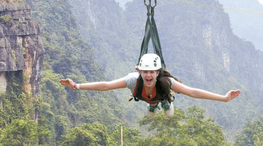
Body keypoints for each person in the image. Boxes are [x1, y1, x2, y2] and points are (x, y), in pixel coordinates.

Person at [59, 53, 241, 117]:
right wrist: (76, 86)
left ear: (157, 72)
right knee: (151, 111)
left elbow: (193, 92)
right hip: (147, 99)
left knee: (169, 114)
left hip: (161, 95)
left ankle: (165, 103)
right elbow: (106, 86)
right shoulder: (133, 80)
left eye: (151, 72)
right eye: (145, 71)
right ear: (140, 72)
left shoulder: (166, 82)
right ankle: (153, 105)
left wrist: (224, 98)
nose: (148, 75)